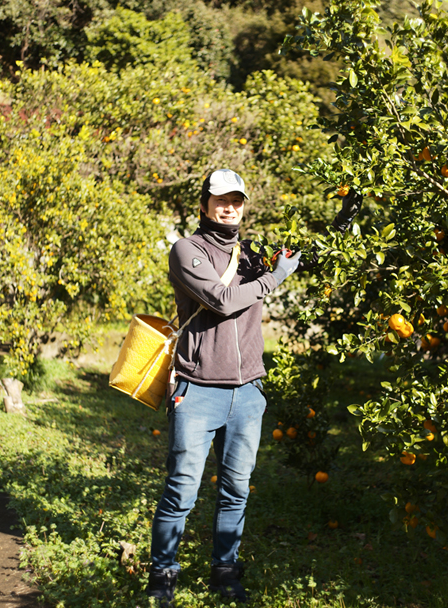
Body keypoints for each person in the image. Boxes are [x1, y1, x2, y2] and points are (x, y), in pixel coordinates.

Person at [146, 168, 361, 606]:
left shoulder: (251, 254)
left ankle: (225, 572)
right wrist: (273, 277)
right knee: (182, 489)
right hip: (198, 390)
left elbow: (307, 258)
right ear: (204, 204)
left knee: (236, 490)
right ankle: (162, 576)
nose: (229, 208)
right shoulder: (187, 250)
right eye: (221, 200)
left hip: (246, 395)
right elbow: (222, 301)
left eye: (236, 201)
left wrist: (344, 220)